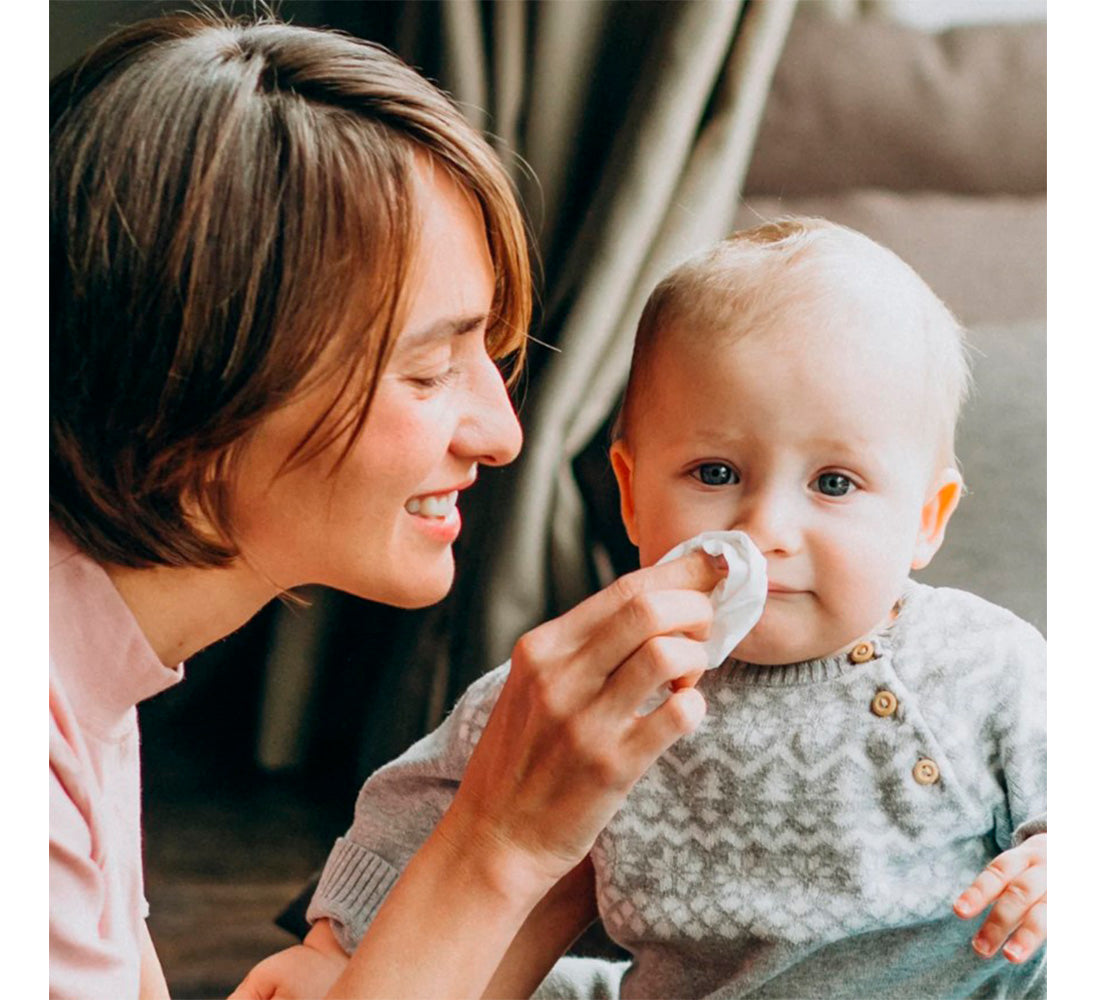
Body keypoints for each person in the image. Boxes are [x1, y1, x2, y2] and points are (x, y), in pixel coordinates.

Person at [49, 12, 729, 999]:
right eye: (428, 369)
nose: (499, 435)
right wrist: (495, 840)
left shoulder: (86, 657)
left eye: (487, 358)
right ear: (195, 376)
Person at [257, 219, 1047, 998]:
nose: (765, 529)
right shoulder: (602, 673)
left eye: (833, 484)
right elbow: (429, 811)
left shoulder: (982, 664)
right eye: (714, 473)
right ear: (631, 495)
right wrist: (336, 947)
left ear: (926, 520)